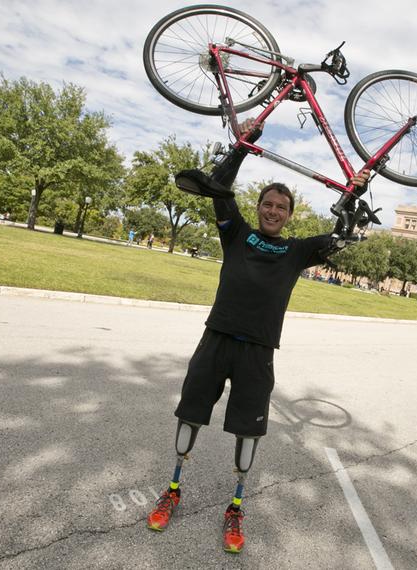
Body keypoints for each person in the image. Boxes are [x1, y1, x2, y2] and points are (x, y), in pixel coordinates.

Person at [146, 118, 370, 554]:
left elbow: (344, 236)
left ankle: (235, 506)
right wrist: (244, 145)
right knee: (190, 415)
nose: (272, 211)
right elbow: (218, 188)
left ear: (289, 215)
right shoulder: (237, 234)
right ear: (260, 205)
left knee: (248, 432)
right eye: (267, 204)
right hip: (216, 341)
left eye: (280, 208)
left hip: (258, 352)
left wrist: (353, 193)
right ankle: (172, 489)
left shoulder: (297, 250)